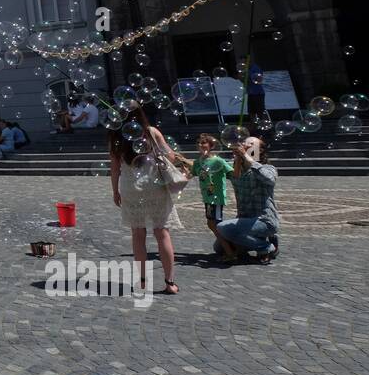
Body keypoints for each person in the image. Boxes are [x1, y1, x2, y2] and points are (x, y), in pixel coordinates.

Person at [109, 106, 184, 295]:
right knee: (162, 233)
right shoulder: (150, 132)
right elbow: (171, 157)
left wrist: (115, 191)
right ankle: (169, 283)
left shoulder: (116, 136)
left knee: (138, 234)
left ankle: (142, 283)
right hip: (155, 186)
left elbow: (115, 168)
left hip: (130, 189)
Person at [215, 136, 280, 264]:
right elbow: (234, 177)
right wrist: (238, 159)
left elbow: (269, 179)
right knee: (219, 248)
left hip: (264, 220)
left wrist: (245, 155)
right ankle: (260, 240)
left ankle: (267, 247)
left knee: (223, 228)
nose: (244, 145)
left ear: (260, 151)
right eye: (244, 142)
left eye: (250, 144)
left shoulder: (268, 168)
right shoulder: (238, 170)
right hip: (245, 220)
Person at [191, 133, 237, 261]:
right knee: (212, 223)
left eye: (204, 143)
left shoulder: (218, 160)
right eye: (199, 143)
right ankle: (229, 249)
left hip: (216, 198)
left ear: (211, 146)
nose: (201, 145)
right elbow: (193, 172)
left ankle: (230, 252)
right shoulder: (198, 161)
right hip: (207, 198)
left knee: (215, 224)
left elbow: (232, 172)